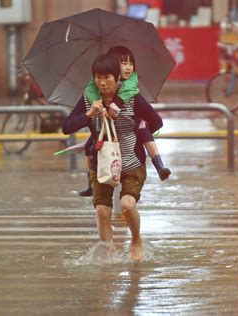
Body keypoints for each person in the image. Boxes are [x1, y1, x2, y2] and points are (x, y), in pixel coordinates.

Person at [62, 54, 163, 260]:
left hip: (131, 162)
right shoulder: (89, 100)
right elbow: (66, 127)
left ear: (118, 79)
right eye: (98, 77)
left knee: (127, 205)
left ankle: (136, 239)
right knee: (102, 210)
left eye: (107, 77)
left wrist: (135, 131)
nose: (102, 82)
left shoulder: (133, 99)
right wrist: (89, 114)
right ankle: (108, 251)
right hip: (102, 163)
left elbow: (156, 122)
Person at [78, 46, 171, 197]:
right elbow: (89, 91)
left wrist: (135, 133)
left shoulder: (131, 82)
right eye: (123, 63)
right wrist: (95, 105)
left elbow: (154, 120)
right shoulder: (97, 83)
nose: (128, 67)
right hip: (107, 130)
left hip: (132, 124)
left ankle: (160, 167)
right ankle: (91, 182)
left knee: (144, 134)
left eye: (130, 63)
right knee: (90, 146)